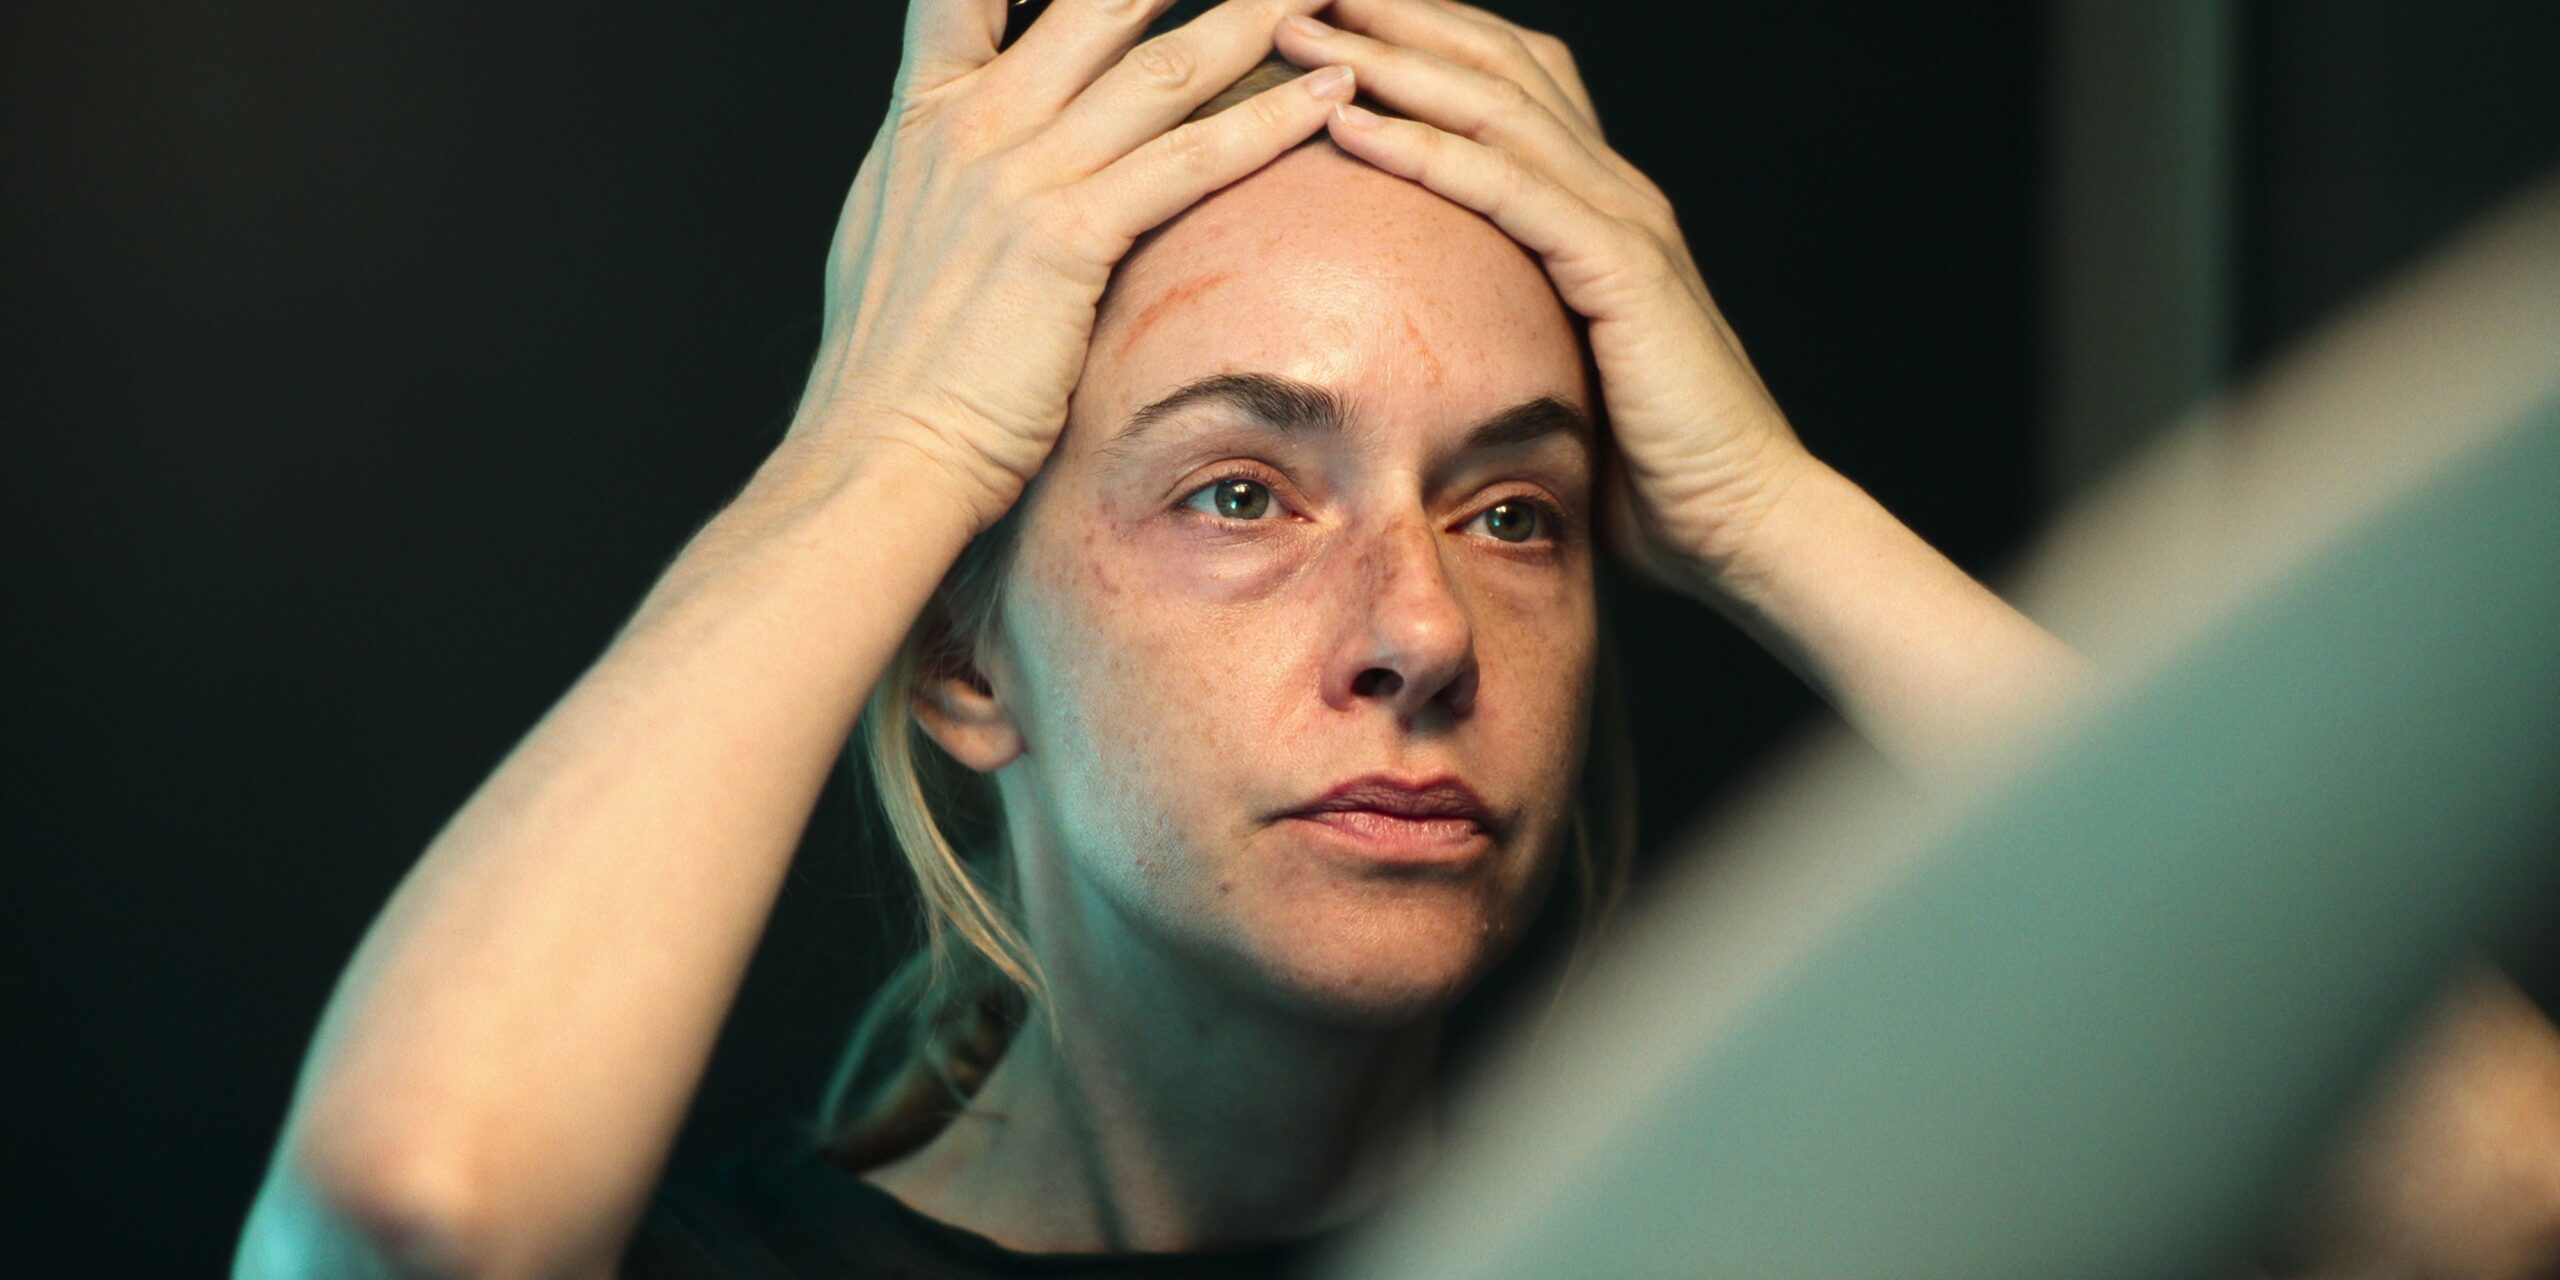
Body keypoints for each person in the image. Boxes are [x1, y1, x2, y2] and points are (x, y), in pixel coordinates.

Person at [232, 2, 2560, 1277]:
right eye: (1241, 491)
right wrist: (884, 444)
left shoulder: (1752, 1223)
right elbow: (407, 1213)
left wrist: (1764, 505)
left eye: (1513, 506)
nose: (1423, 628)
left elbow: (2497, 1191)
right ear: (960, 664)